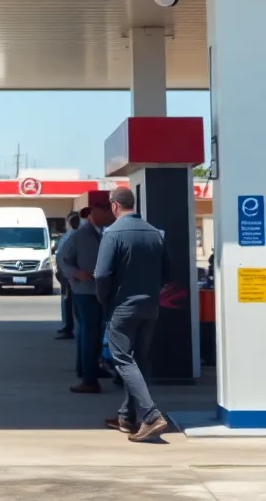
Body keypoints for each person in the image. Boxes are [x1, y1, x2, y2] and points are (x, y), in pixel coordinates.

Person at [94, 187, 171, 442]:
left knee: (123, 360)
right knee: (139, 360)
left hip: (122, 307)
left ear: (115, 206)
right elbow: (167, 271)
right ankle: (126, 417)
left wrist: (103, 298)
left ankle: (151, 415)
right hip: (149, 307)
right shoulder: (154, 233)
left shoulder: (112, 233)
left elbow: (101, 274)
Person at [57, 206, 105, 394]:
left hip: (99, 291)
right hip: (85, 292)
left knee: (94, 333)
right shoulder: (79, 235)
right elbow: (63, 259)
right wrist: (76, 274)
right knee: (89, 333)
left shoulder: (102, 233)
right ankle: (88, 378)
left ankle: (91, 369)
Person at [55, 213, 80, 339]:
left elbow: (64, 255)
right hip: (65, 273)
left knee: (68, 302)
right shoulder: (69, 235)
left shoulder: (74, 235)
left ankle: (68, 327)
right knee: (66, 301)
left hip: (68, 274)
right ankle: (67, 326)